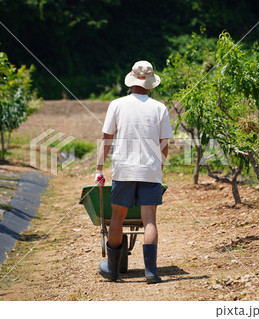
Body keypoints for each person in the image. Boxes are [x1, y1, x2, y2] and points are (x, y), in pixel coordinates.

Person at [95, 60, 174, 284]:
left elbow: (106, 139)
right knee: (149, 220)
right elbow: (164, 143)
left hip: (124, 170)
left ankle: (112, 270)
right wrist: (157, 168)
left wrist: (99, 169)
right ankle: (151, 272)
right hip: (150, 172)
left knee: (117, 218)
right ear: (150, 84)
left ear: (131, 81)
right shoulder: (159, 108)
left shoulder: (117, 104)